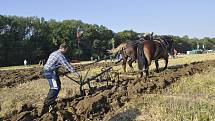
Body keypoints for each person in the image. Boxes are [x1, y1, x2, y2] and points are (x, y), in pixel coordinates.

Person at [40, 42, 81, 116]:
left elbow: (54, 63)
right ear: (63, 48)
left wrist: (58, 71)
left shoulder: (54, 53)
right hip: (50, 72)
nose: (66, 51)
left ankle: (51, 102)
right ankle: (46, 105)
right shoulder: (60, 55)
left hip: (50, 71)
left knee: (57, 86)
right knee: (55, 88)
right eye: (66, 50)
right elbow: (67, 65)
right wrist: (75, 73)